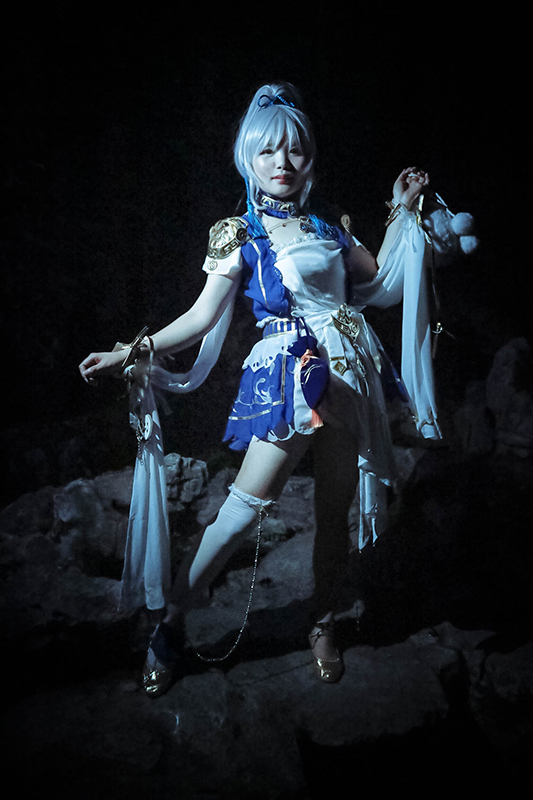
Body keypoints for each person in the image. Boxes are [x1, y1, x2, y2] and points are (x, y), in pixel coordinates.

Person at [79, 82, 438, 697]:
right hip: (291, 377)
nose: (282, 162)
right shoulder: (240, 233)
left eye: (294, 150)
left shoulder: (328, 226)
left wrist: (401, 212)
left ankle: (322, 621)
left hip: (351, 376)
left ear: (309, 157)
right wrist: (131, 352)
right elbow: (200, 318)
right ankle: (171, 623)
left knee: (334, 513)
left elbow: (380, 281)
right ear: (249, 158)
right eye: (268, 151)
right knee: (242, 512)